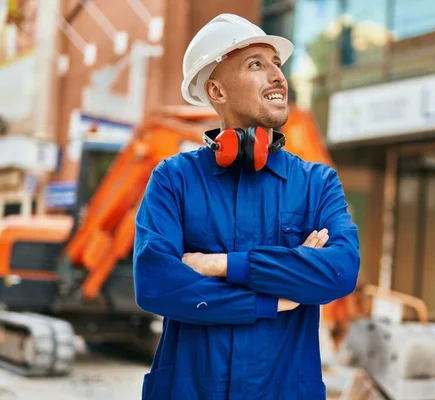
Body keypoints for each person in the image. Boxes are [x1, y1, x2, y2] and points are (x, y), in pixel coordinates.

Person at [133, 13, 360, 400]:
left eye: (277, 64)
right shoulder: (174, 179)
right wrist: (273, 299)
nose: (277, 76)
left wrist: (222, 264)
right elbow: (157, 285)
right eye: (256, 64)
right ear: (217, 92)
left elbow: (339, 271)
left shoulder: (317, 184)